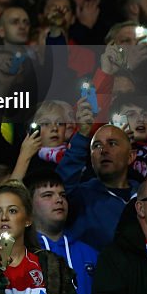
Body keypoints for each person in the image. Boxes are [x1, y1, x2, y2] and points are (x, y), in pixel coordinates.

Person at [58, 107, 139, 250]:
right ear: (90, 158)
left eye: (112, 143)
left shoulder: (145, 195)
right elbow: (59, 185)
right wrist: (82, 135)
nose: (104, 150)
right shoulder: (79, 197)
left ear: (131, 156)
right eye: (97, 145)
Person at [26, 171, 99, 294]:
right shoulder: (23, 254)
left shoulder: (90, 254)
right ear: (28, 206)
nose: (59, 200)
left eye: (62, 195)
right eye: (48, 195)